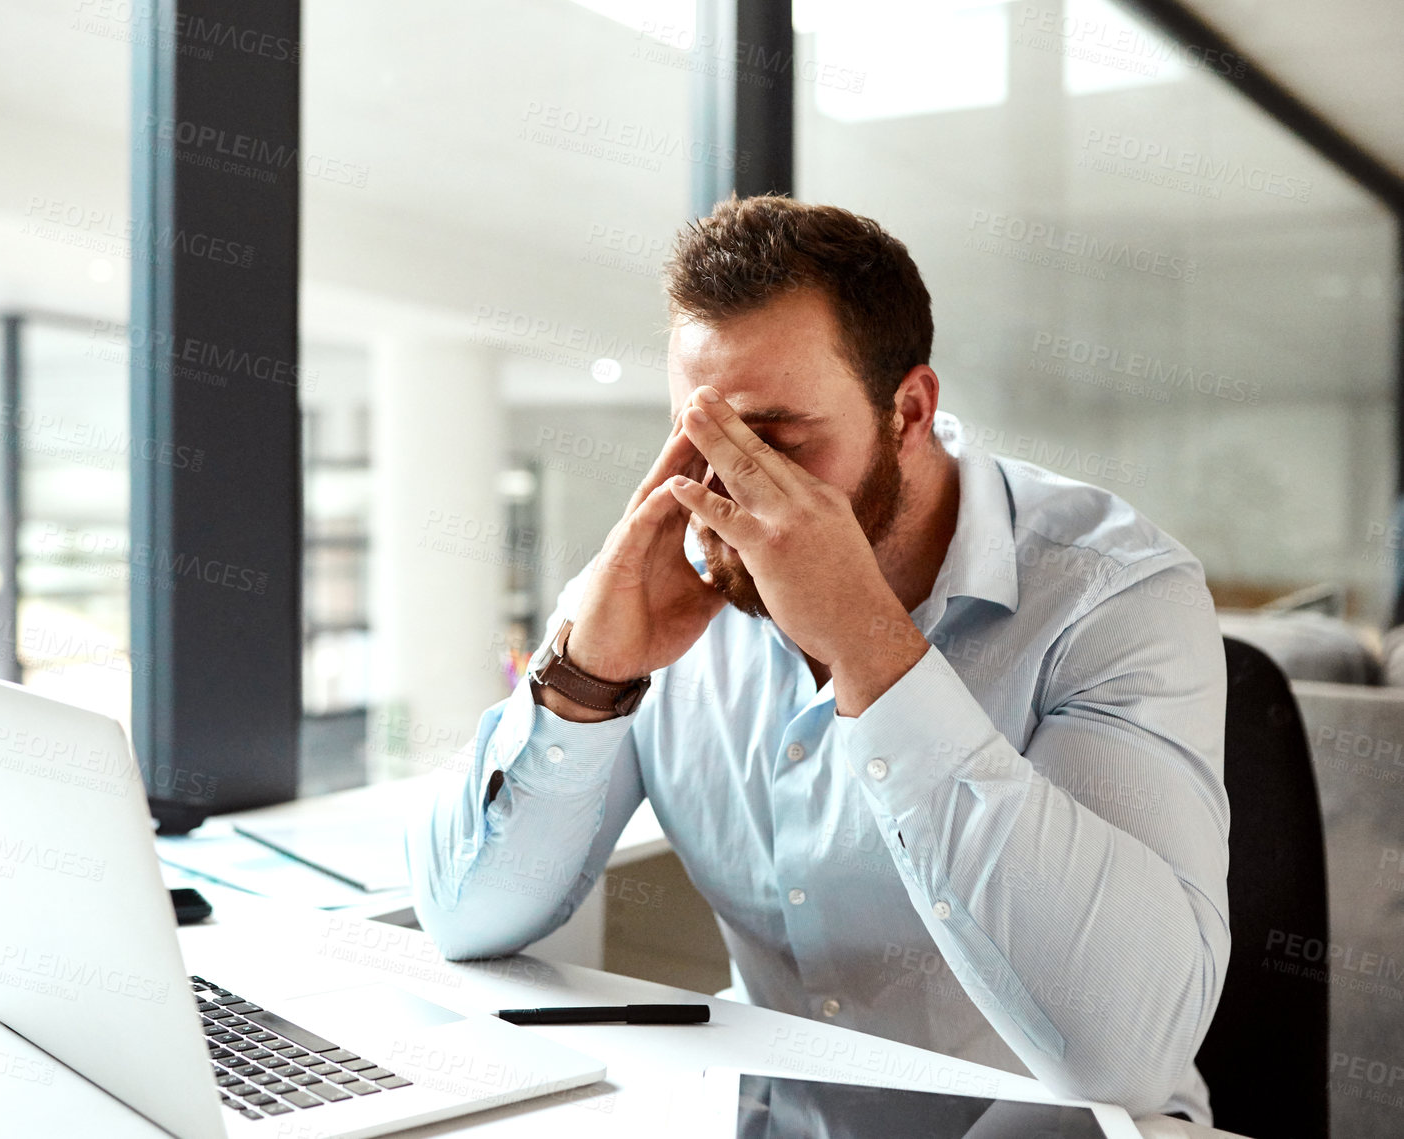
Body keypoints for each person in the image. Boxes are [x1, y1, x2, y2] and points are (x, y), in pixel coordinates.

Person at [407, 196, 1229, 1123]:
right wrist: (587, 677)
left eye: (776, 440)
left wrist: (872, 648)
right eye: (698, 433)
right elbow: (464, 917)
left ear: (909, 411)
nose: (724, 485)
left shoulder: (1112, 594)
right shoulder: (664, 579)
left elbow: (1122, 1051)